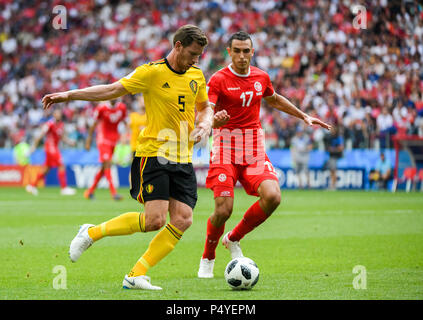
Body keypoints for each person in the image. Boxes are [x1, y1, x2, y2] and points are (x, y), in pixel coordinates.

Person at [42, 25, 226, 290]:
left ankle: (136, 274)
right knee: (155, 220)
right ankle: (90, 232)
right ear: (177, 46)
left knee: (183, 219)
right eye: (193, 54)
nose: (196, 60)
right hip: (153, 154)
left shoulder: (195, 74)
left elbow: (205, 107)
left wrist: (206, 124)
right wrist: (70, 95)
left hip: (182, 156)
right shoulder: (151, 72)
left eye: (199, 55)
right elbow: (111, 90)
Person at [197, 31, 331, 278]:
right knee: (223, 209)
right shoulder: (218, 79)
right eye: (236, 51)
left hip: (254, 151)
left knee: (272, 196)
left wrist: (303, 115)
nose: (241, 56)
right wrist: (213, 122)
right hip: (225, 150)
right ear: (229, 52)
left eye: (246, 51)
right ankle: (208, 256)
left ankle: (233, 238)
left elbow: (275, 99)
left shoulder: (261, 77)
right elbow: (206, 112)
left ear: (252, 52)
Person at [25, 109, 76, 196]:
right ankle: (64, 188)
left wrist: (70, 142)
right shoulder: (49, 124)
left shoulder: (61, 125)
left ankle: (31, 185)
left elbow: (62, 137)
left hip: (55, 147)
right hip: (50, 147)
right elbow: (41, 135)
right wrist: (34, 146)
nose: (58, 115)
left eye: (59, 113)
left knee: (46, 170)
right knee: (61, 165)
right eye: (56, 113)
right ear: (54, 115)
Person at [84, 101, 127, 201]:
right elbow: (93, 124)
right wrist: (89, 140)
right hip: (103, 140)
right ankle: (114, 193)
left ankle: (90, 191)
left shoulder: (122, 107)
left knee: (104, 167)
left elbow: (125, 122)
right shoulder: (101, 108)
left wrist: (125, 135)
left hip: (114, 141)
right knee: (108, 164)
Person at [324, 124, 344, 190]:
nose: (331, 131)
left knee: (333, 171)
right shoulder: (330, 137)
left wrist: (333, 149)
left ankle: (333, 186)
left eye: (332, 130)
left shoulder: (338, 138)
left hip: (335, 156)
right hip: (331, 156)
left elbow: (341, 148)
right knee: (331, 171)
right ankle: (332, 185)